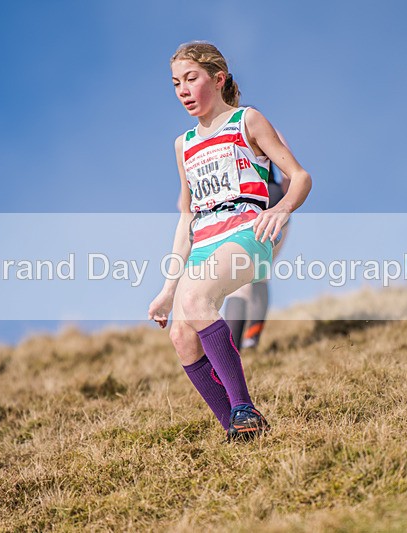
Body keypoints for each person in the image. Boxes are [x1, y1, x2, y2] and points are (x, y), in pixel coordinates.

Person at [147, 41, 312, 441]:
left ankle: (244, 408)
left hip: (246, 234)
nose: (183, 90)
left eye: (191, 79)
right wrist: (168, 287)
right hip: (203, 242)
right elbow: (187, 217)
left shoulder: (247, 120)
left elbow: (301, 176)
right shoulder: (182, 144)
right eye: (175, 84)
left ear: (218, 79)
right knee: (181, 335)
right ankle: (240, 433)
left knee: (197, 300)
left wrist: (281, 208)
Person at [225, 155, 291, 350]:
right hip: (272, 200)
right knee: (261, 274)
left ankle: (231, 356)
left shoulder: (207, 136)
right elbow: (288, 175)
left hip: (239, 207)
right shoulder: (262, 126)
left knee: (238, 283)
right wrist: (280, 206)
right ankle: (252, 338)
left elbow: (183, 203)